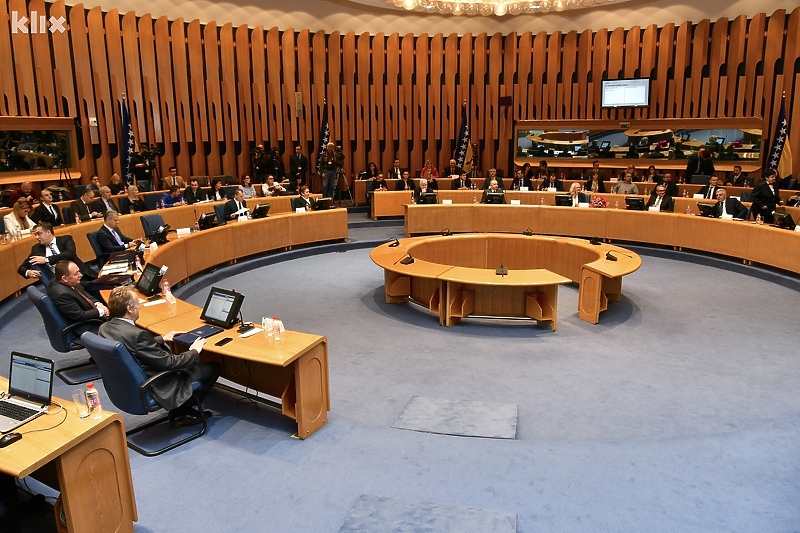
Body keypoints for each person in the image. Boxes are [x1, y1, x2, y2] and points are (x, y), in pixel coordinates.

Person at [99, 285, 221, 426]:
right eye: (138, 304)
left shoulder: (105, 328)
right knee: (213, 367)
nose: (140, 307)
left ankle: (182, 410)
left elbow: (131, 346)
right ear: (129, 309)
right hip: (157, 384)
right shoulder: (137, 335)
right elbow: (170, 363)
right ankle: (183, 411)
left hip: (125, 386)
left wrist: (162, 338)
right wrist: (194, 351)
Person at [18, 222, 95, 282]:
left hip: (81, 276)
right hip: (63, 284)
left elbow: (70, 254)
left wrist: (46, 260)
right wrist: (28, 272)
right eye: (35, 235)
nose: (37, 237)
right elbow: (21, 268)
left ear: (48, 232)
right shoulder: (36, 249)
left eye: (39, 234)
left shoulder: (65, 239)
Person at [47, 260, 108, 335]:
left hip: (90, 312)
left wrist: (98, 304)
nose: (80, 275)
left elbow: (83, 292)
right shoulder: (62, 294)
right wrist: (101, 311)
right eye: (76, 273)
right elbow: (79, 316)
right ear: (64, 278)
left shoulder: (65, 280)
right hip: (88, 326)